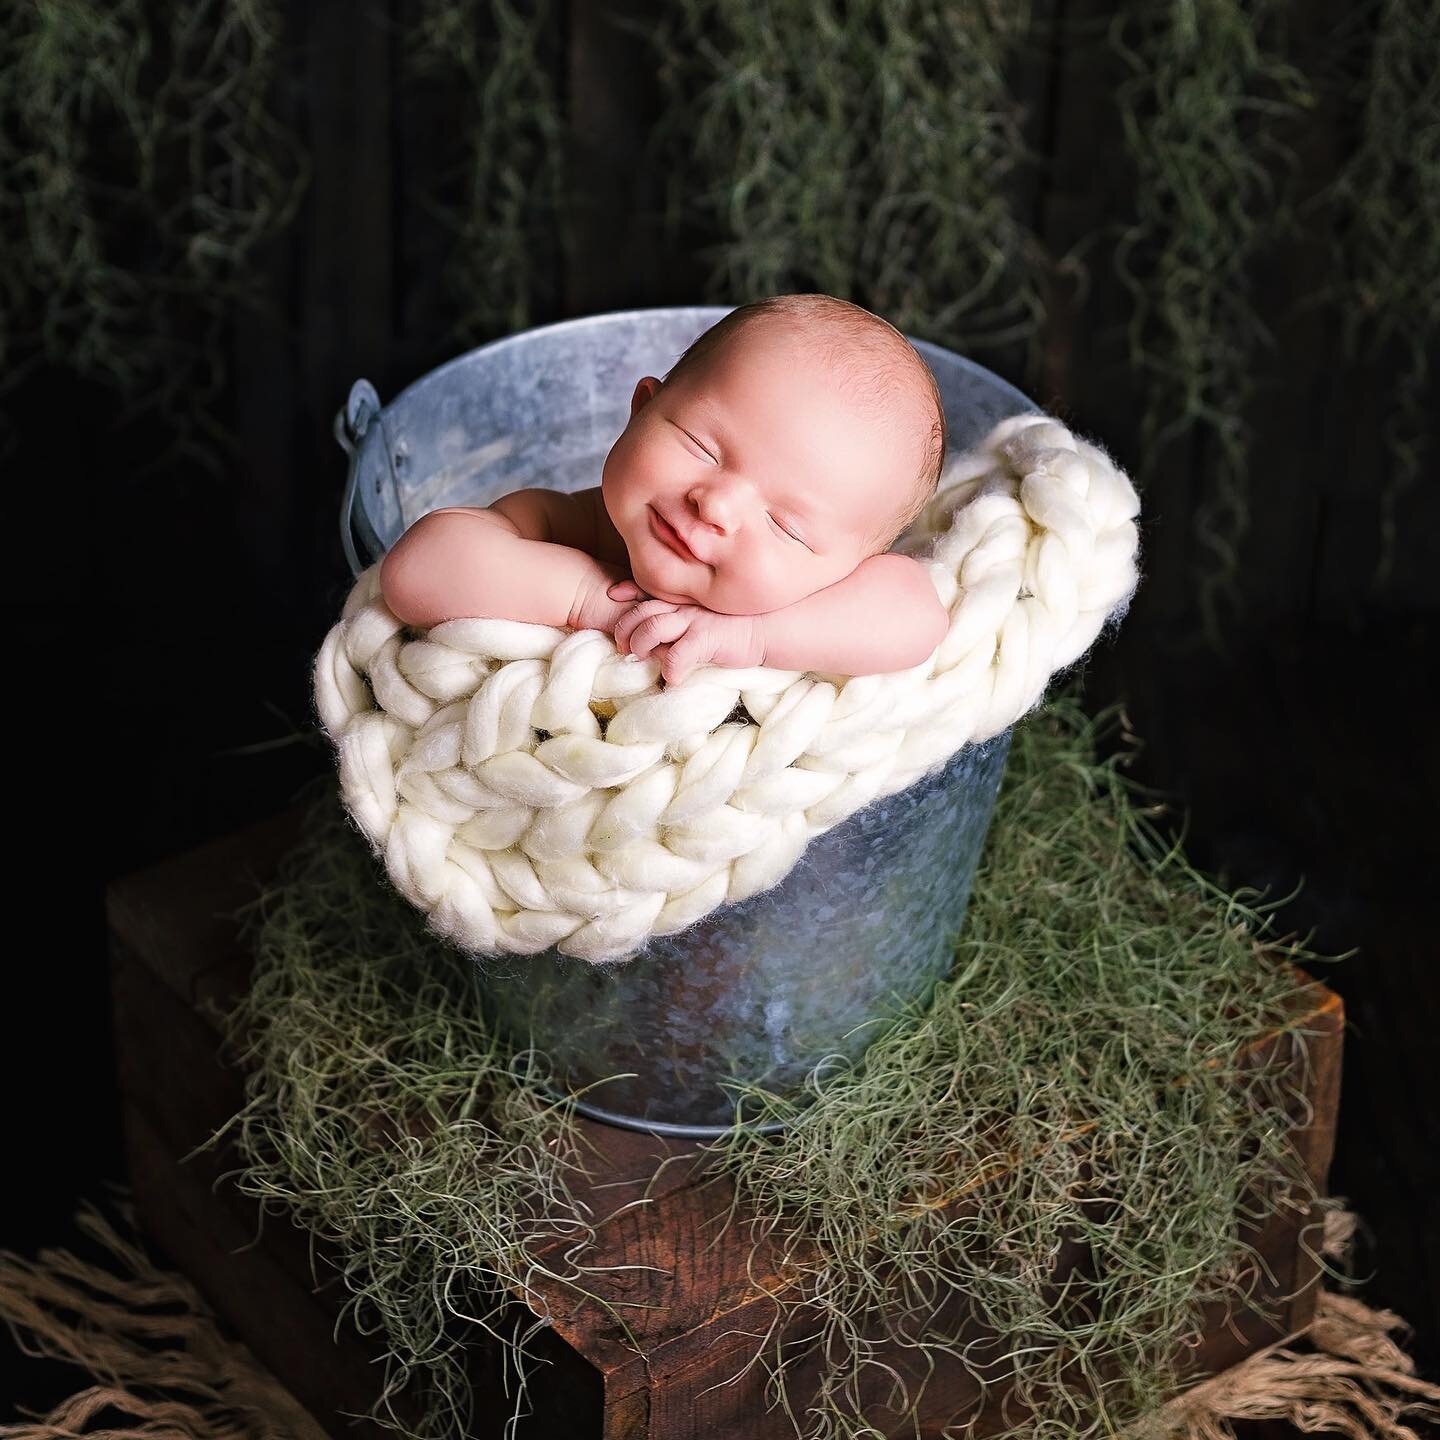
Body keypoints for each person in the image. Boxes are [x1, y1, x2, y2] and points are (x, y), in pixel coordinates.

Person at [379, 293, 951, 686]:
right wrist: (591, 602)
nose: (718, 503)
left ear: (850, 566)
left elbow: (918, 617)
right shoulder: (566, 525)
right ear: (641, 410)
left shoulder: (817, 601)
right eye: (701, 448)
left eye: (786, 525)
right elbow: (417, 570)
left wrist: (753, 637)